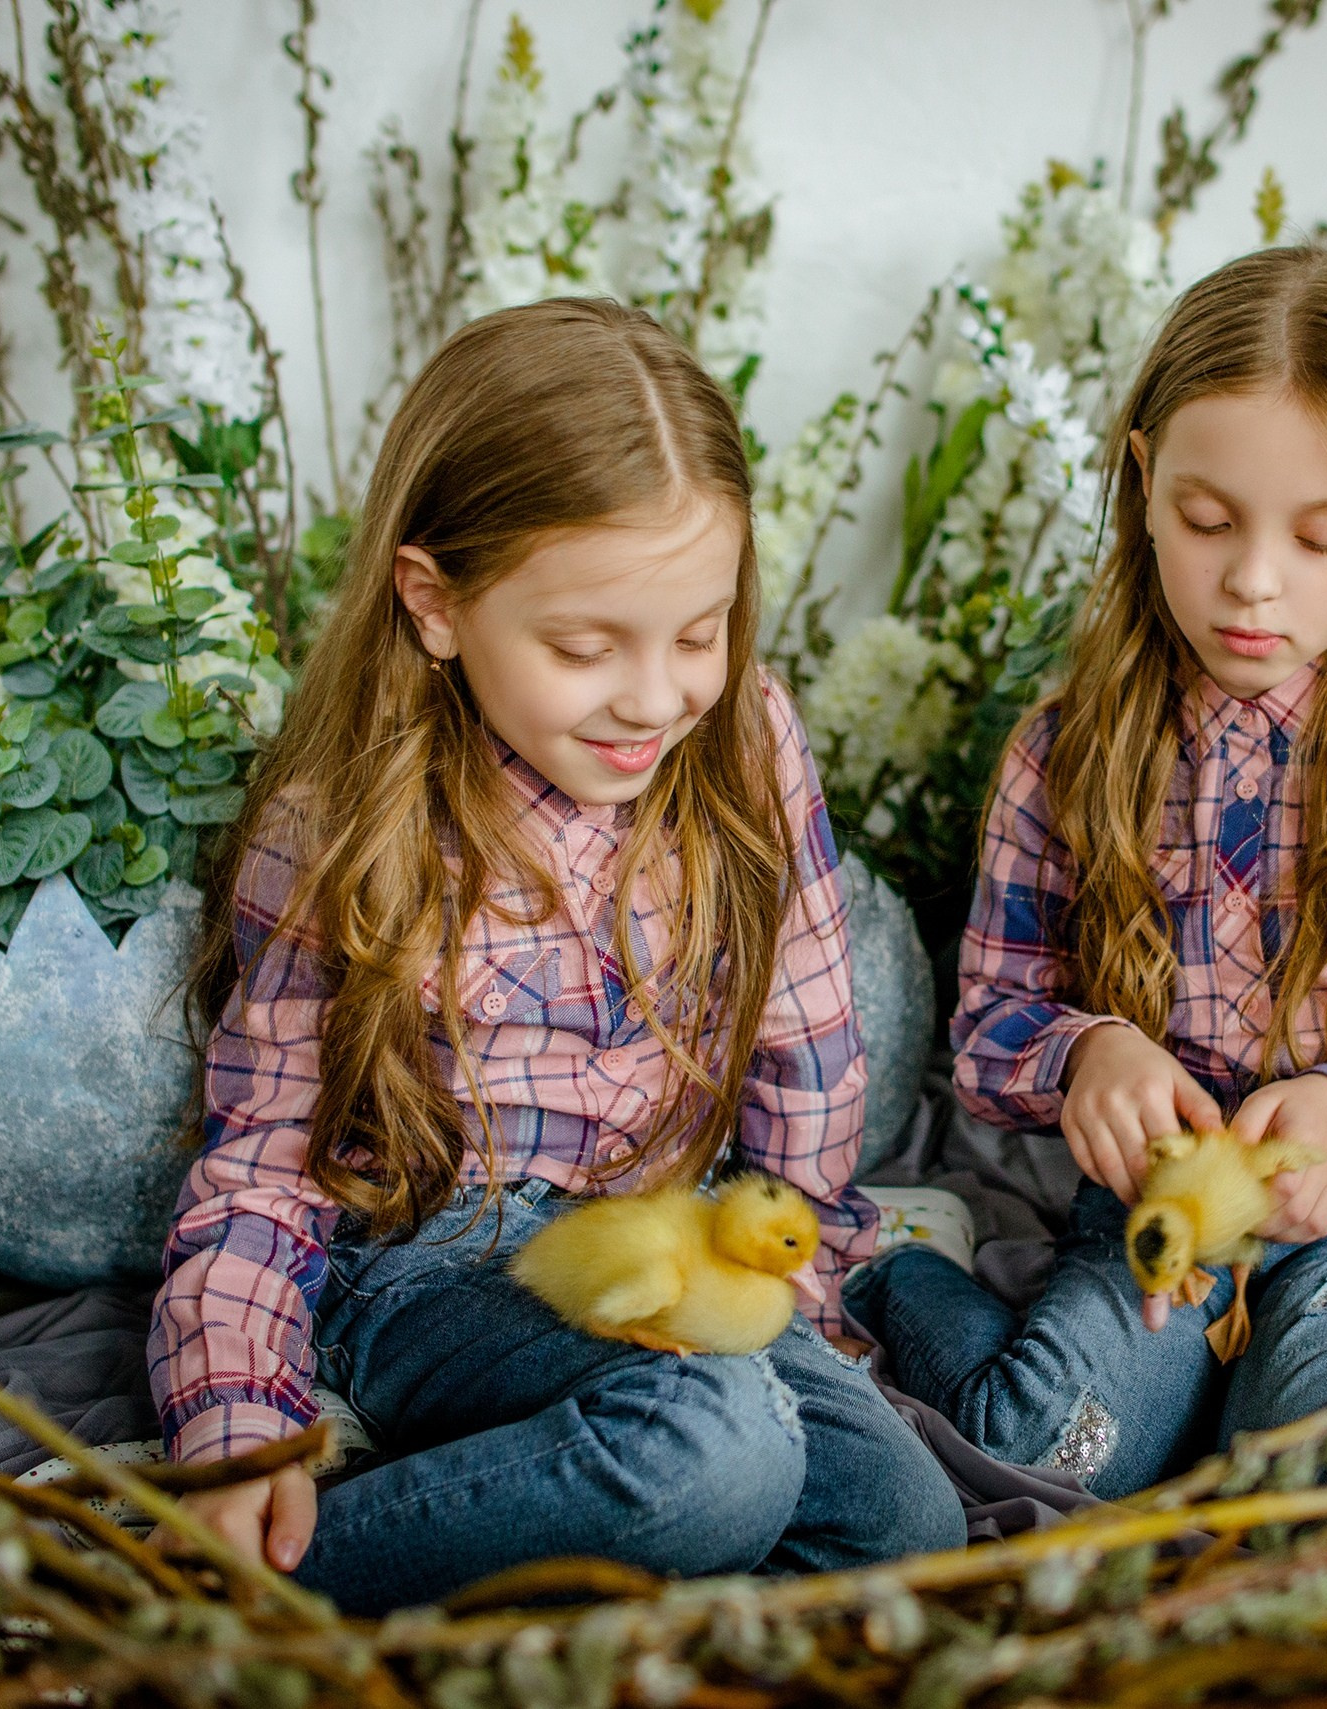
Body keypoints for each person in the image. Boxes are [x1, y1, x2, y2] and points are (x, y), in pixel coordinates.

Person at [149, 299, 964, 1613]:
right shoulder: (347, 826)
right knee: (719, 1453)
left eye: (697, 632)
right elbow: (263, 1169)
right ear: (435, 603)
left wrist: (793, 1280)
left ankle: (572, 1549)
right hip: (435, 1255)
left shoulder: (745, 740)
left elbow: (807, 1054)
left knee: (904, 1522)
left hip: (675, 1248)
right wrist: (237, 1422)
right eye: (587, 647)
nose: (655, 696)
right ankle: (252, 1596)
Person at [848, 245, 1327, 1498]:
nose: (1251, 579)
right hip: (1165, 1209)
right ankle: (884, 1257)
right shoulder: (1069, 745)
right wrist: (1086, 1052)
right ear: (1143, 483)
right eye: (1205, 519)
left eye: (1317, 536)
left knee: (1303, 1456)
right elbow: (987, 1023)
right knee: (1054, 1453)